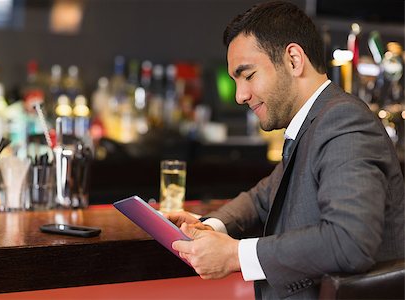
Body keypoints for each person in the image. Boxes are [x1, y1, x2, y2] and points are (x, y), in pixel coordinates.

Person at [166, 1, 405, 299]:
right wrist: (209, 225)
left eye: (248, 75)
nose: (240, 95)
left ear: (293, 59)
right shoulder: (313, 123)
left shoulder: (342, 120)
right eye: (236, 81)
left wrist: (236, 255)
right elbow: (262, 197)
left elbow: (349, 241)